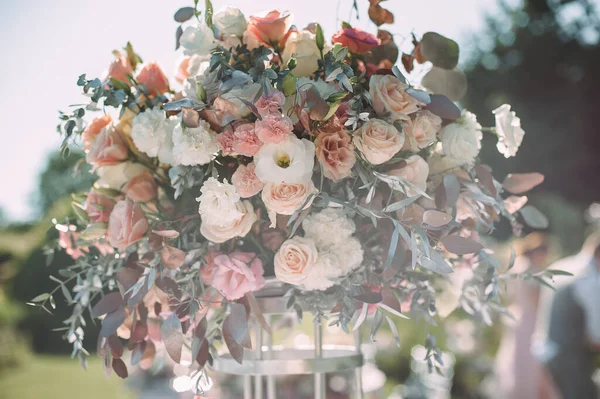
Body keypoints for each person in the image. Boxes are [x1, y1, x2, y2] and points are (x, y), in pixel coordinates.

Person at [535, 233, 600, 399]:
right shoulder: (588, 276)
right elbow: (596, 332)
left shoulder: (565, 265)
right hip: (570, 354)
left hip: (548, 348)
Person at [494, 232, 558, 399]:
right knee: (532, 364)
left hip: (519, 319)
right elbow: (538, 301)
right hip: (531, 322)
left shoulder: (518, 266)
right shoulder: (531, 270)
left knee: (520, 363)